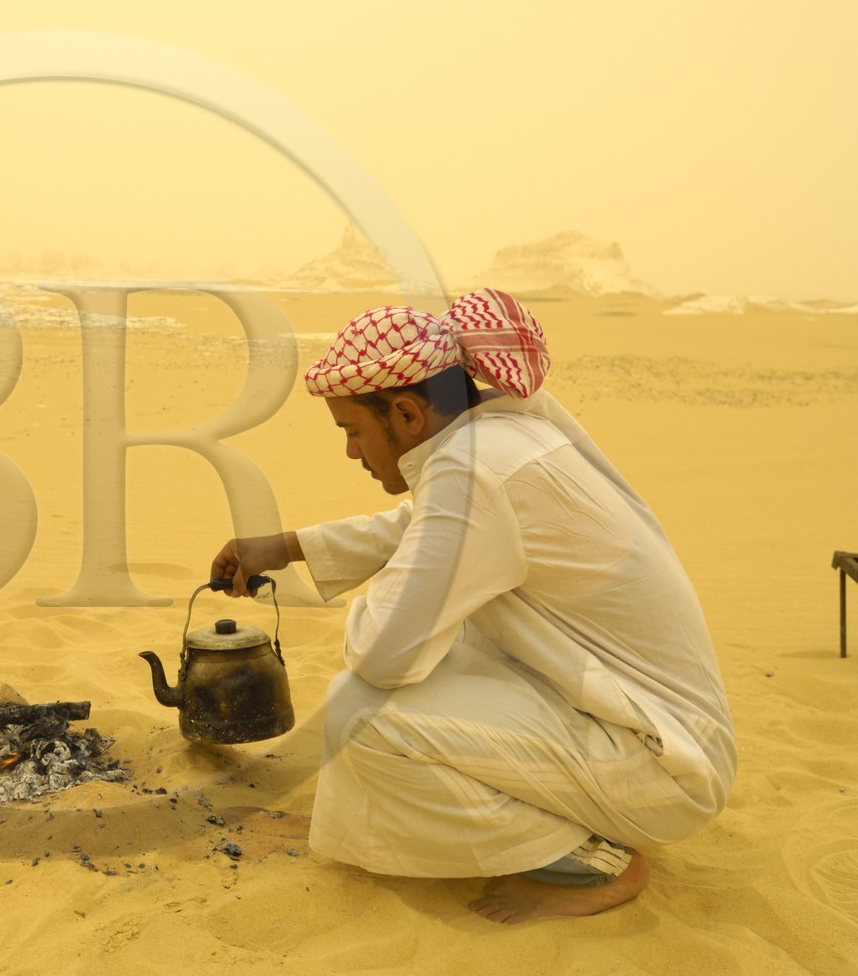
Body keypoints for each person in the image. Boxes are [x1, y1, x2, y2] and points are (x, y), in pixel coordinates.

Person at [209, 289, 735, 923]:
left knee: (365, 710)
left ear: (404, 413)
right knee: (447, 648)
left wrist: (401, 594)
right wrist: (288, 547)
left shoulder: (473, 471)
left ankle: (591, 860)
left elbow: (382, 653)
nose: (352, 452)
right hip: (656, 731)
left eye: (352, 431)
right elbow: (429, 527)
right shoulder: (501, 431)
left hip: (659, 768)